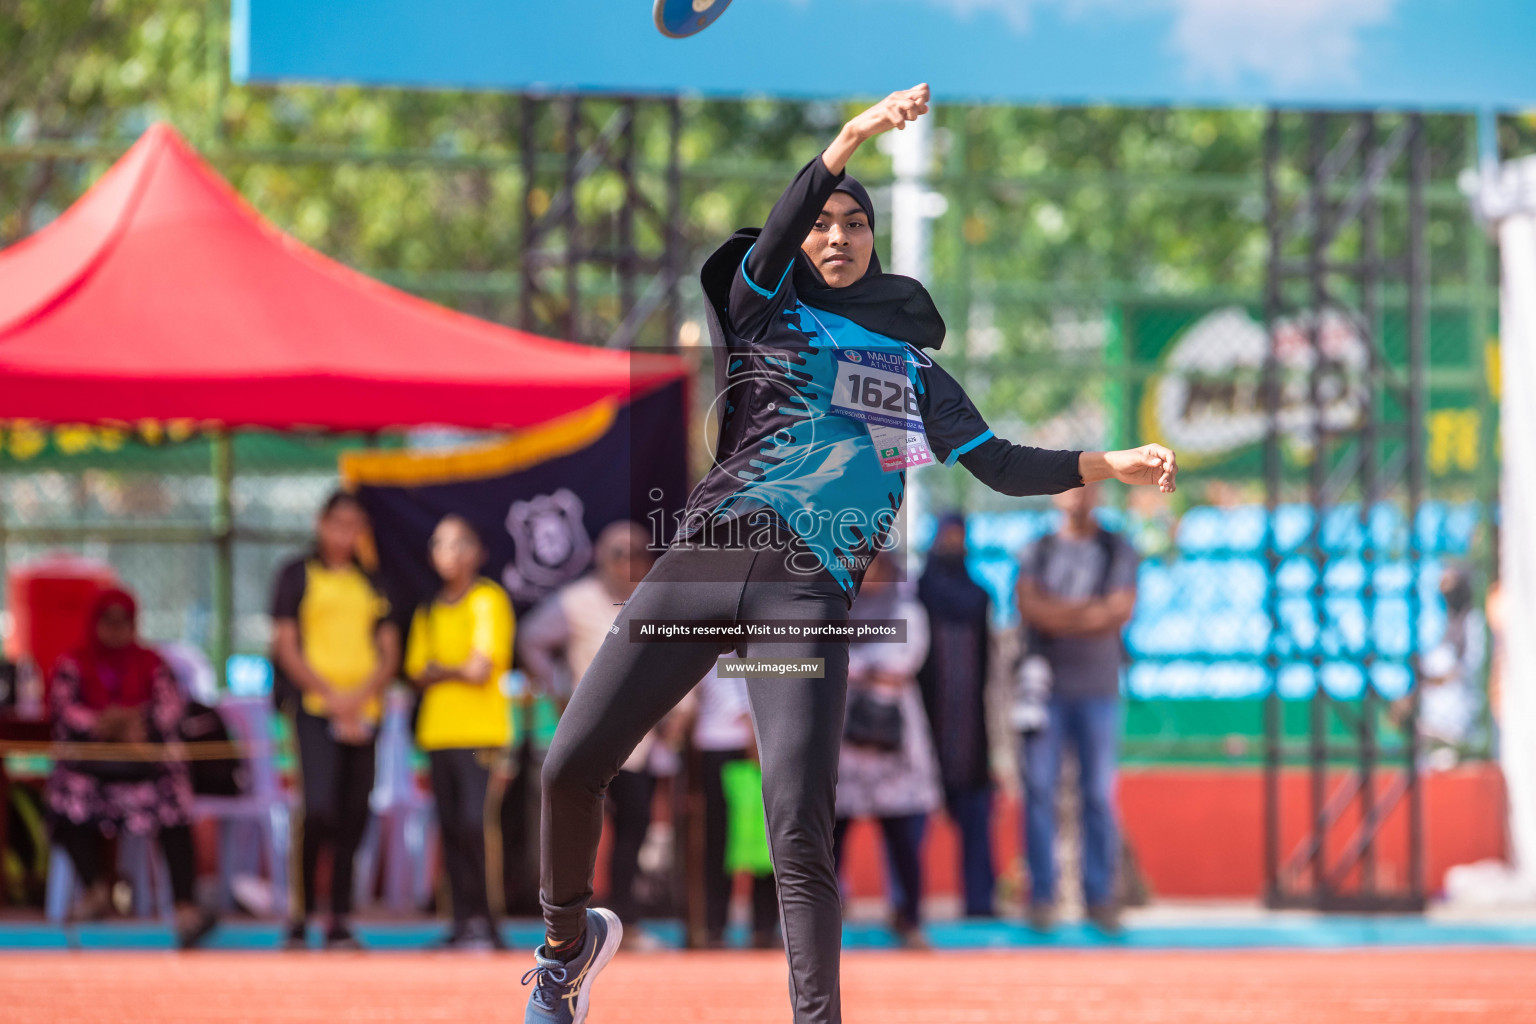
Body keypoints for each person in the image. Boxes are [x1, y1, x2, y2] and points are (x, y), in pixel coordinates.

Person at [522, 82, 1178, 1024]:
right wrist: (852, 136)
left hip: (802, 597)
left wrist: (1106, 462)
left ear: (874, 242)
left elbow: (992, 462)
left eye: (855, 223)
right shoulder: (763, 310)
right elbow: (781, 225)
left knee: (800, 828)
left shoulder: (910, 366)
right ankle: (563, 948)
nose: (835, 235)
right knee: (570, 765)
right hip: (707, 562)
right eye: (822, 222)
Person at [520, 521, 684, 940]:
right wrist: (559, 693)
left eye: (635, 553)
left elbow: (680, 663)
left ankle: (624, 919)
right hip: (591, 736)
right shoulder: (576, 601)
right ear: (599, 557)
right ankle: (572, 926)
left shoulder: (657, 601)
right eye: (618, 553)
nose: (627, 561)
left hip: (642, 743)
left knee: (636, 829)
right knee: (580, 827)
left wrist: (682, 713)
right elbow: (531, 638)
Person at [46, 587, 218, 948]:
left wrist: (132, 722)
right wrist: (103, 723)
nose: (114, 629)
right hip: (92, 772)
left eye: (122, 621)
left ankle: (185, 905)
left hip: (143, 771)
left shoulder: (152, 663)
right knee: (62, 799)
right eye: (107, 621)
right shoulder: (73, 663)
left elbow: (170, 710)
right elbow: (63, 712)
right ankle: (95, 888)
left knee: (175, 802)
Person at [270, 491, 400, 950]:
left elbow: (389, 652)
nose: (346, 534)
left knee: (353, 812)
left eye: (355, 525)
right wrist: (329, 695)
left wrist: (358, 698)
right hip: (313, 708)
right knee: (318, 807)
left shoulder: (374, 582)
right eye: (338, 523)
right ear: (321, 523)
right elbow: (286, 644)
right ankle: (300, 914)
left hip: (364, 711)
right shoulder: (296, 574)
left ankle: (339, 917)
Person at [1015, 481, 1139, 933]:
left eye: (1087, 489)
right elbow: (1028, 605)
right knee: (1039, 792)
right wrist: (1090, 613)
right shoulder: (1037, 549)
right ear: (1053, 496)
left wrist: (1059, 613)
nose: (1078, 497)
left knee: (1097, 795)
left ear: (1099, 496)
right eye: (1069, 488)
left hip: (1099, 689)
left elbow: (1119, 610)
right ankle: (1042, 896)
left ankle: (1099, 896)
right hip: (1044, 691)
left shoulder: (1117, 549)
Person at [405, 514, 516, 949]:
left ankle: (489, 924)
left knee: (477, 825)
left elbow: (481, 667)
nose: (448, 554)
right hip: (437, 734)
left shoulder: (487, 600)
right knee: (450, 829)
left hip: (481, 734)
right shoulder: (429, 607)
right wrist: (452, 670)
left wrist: (442, 670)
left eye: (458, 544)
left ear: (478, 552)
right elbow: (415, 671)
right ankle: (459, 922)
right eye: (440, 544)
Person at [832, 551, 939, 948]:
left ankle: (908, 917)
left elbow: (900, 660)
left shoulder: (907, 609)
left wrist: (852, 665)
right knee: (832, 835)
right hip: (843, 742)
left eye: (877, 566)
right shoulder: (833, 608)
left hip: (896, 746)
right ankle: (830, 918)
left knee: (904, 838)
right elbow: (822, 659)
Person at [915, 512, 997, 918]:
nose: (952, 545)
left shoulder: (980, 596)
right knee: (909, 823)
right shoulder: (918, 593)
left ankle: (980, 903)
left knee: (978, 817)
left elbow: (991, 666)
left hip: (972, 733)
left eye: (958, 538)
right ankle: (908, 905)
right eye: (945, 537)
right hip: (921, 729)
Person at [690, 664, 780, 949]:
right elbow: (714, 678)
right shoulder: (717, 631)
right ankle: (714, 927)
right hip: (722, 744)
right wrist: (753, 729)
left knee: (766, 837)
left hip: (766, 740)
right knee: (719, 839)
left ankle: (764, 928)